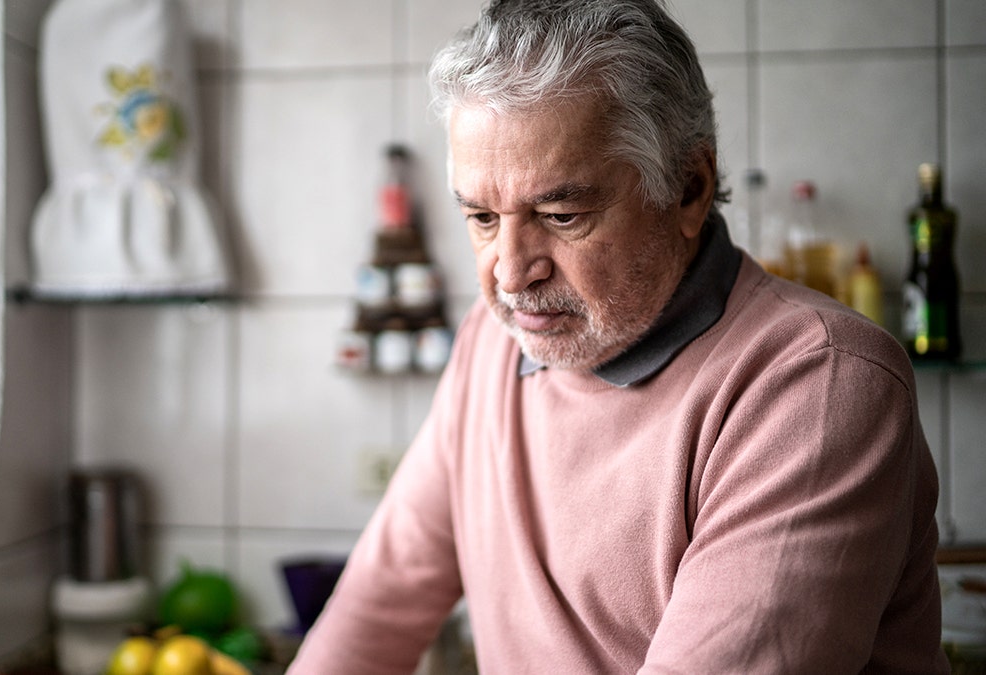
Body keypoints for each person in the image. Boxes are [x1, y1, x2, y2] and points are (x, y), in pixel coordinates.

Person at [287, 0, 946, 672]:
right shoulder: (489, 344)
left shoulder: (815, 385)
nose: (511, 273)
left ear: (689, 189)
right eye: (482, 217)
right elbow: (374, 612)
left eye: (561, 213)